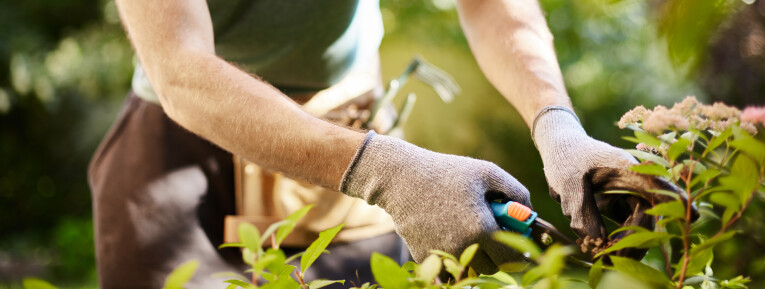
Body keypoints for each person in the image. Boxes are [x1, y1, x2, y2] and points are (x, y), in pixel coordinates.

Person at [88, 0, 671, 288]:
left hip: (353, 134)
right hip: (184, 160)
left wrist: (556, 125)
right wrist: (386, 171)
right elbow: (180, 69)